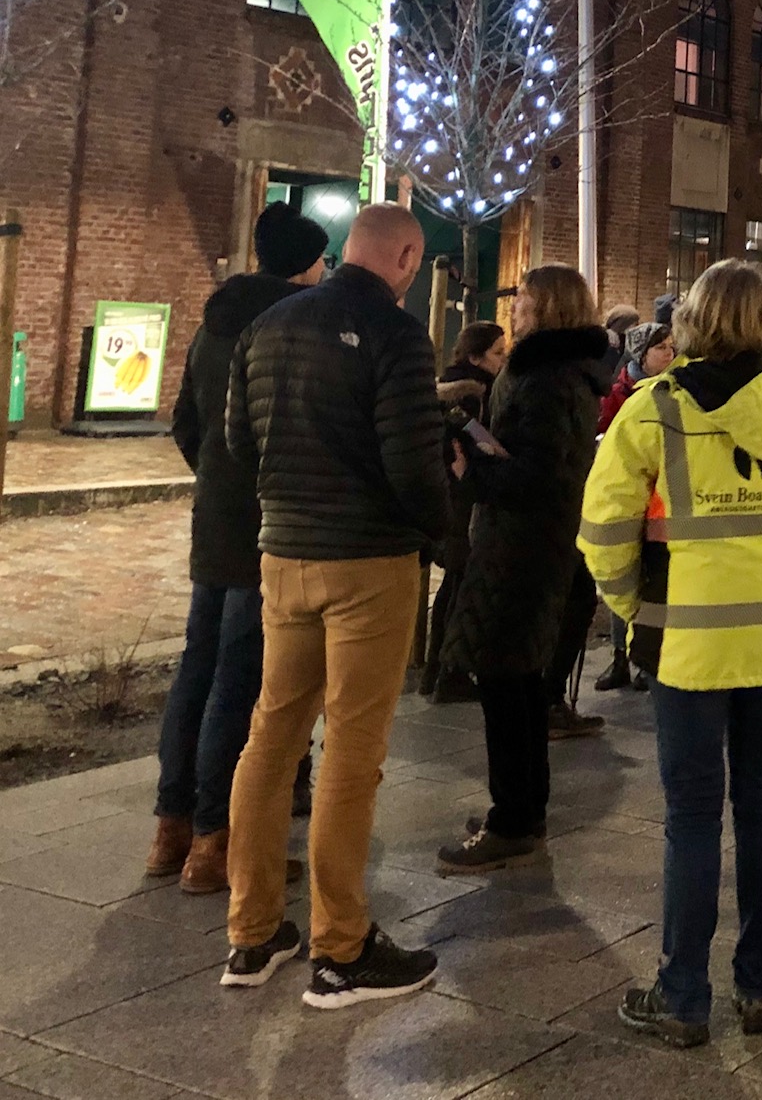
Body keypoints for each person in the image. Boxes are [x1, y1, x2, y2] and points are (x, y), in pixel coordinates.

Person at [578, 260, 762, 1047]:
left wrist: (632, 606)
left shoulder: (652, 410)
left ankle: (683, 996)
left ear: (694, 323)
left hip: (686, 644)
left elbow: (602, 530)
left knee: (693, 817)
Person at [221, 203, 449, 1007]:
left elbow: (237, 442)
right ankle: (341, 949)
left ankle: (251, 934)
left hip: (284, 554)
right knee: (353, 750)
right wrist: (445, 533)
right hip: (369, 562)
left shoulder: (270, 324)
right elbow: (414, 462)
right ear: (406, 258)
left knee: (271, 734)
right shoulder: (395, 335)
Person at [148, 204, 329, 894]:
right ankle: (214, 843)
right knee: (239, 678)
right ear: (304, 263)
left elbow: (185, 422)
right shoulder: (293, 323)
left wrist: (218, 476)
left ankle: (169, 829)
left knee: (197, 668)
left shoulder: (213, 322)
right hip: (267, 521)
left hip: (215, 516)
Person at [435, 267, 609, 876]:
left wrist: (470, 470)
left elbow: (539, 474)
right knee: (521, 680)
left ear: (551, 309)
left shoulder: (545, 376)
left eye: (528, 302)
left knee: (505, 681)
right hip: (532, 541)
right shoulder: (559, 371)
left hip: (523, 545)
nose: (518, 313)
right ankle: (522, 807)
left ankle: (512, 818)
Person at [421, 321, 507, 703]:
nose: (503, 360)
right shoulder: (474, 394)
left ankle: (436, 670)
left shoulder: (443, 387)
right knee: (461, 585)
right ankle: (447, 672)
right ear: (476, 356)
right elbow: (474, 442)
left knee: (455, 583)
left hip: (447, 496)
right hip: (464, 499)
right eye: (497, 353)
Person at [594, 320, 677, 692]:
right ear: (642, 353)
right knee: (622, 584)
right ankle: (618, 658)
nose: (669, 354)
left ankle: (644, 658)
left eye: (672, 348)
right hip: (631, 503)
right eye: (662, 348)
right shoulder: (621, 393)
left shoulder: (674, 393)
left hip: (660, 509)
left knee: (651, 585)